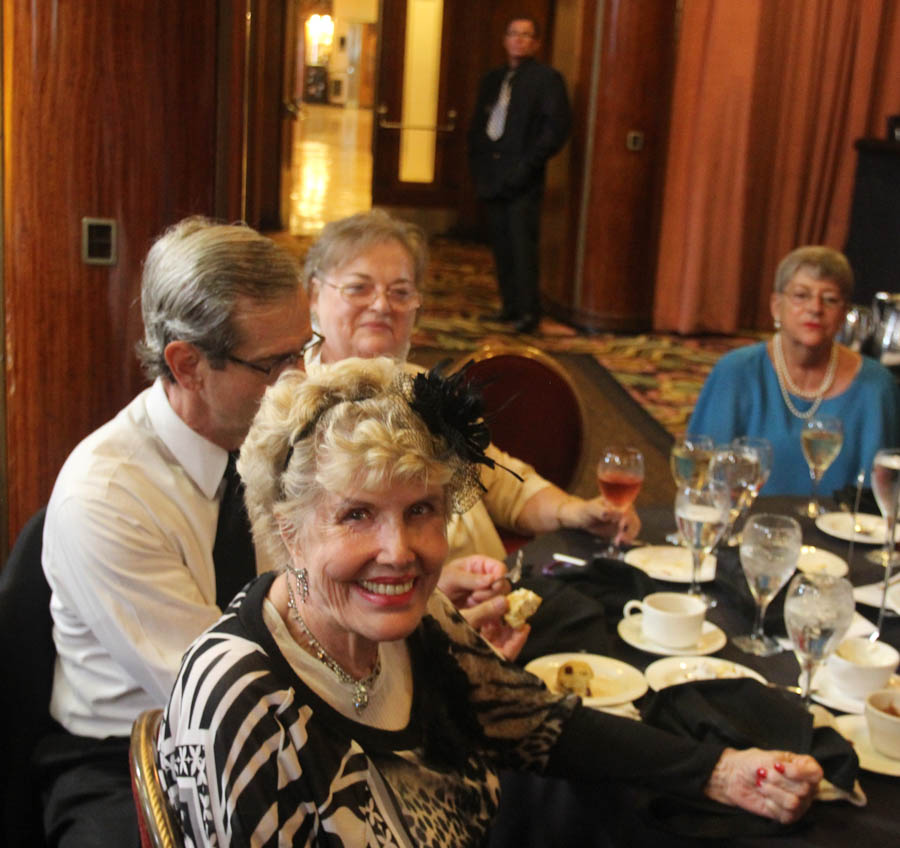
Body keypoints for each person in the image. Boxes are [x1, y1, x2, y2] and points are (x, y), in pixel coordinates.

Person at [158, 357, 823, 845]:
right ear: (288, 531)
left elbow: (541, 726)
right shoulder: (240, 702)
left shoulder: (419, 626)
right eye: (357, 515)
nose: (399, 550)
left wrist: (723, 771)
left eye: (420, 509)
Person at [38, 217, 314, 847]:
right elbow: (215, 690)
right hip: (131, 754)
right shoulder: (107, 494)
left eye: (304, 349)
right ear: (187, 365)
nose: (298, 381)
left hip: (270, 711)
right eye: (274, 363)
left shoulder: (268, 438)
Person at [303, 209, 639, 567]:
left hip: (493, 593)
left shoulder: (423, 389)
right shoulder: (292, 411)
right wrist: (436, 593)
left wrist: (575, 511)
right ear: (312, 294)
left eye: (400, 292)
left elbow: (503, 485)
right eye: (359, 288)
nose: (383, 305)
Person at [689, 246, 900, 495]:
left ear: (843, 314)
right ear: (777, 306)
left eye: (830, 299)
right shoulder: (735, 372)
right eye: (801, 295)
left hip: (842, 530)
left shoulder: (876, 387)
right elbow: (700, 479)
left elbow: (883, 495)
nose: (815, 308)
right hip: (747, 526)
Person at [468, 15, 571, 334]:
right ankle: (509, 306)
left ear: (536, 43)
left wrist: (526, 167)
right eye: (513, 34)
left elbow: (554, 131)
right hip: (492, 177)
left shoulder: (547, 79)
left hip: (524, 179)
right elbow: (478, 125)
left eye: (526, 35)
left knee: (522, 248)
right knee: (501, 246)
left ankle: (529, 313)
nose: (519, 40)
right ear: (505, 39)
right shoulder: (493, 78)